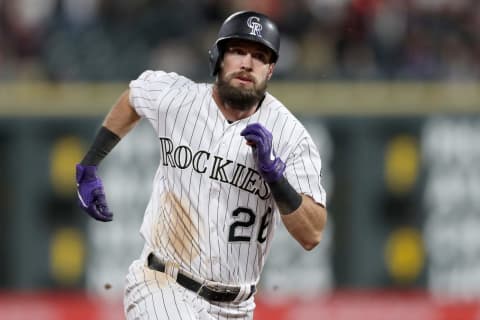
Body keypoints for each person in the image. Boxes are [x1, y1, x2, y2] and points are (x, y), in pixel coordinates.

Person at [76, 10, 328, 320]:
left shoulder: (290, 136)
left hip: (236, 306)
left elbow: (312, 233)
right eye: (237, 51)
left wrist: (276, 178)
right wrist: (90, 165)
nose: (247, 63)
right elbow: (135, 96)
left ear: (271, 69)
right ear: (219, 58)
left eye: (259, 56)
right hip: (162, 283)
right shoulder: (179, 99)